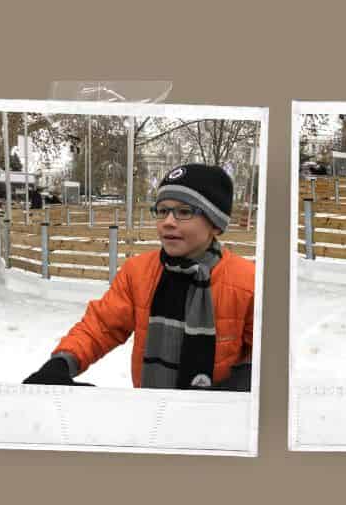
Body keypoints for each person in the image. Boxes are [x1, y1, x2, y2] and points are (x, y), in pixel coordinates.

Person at [23, 164, 255, 390]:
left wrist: (245, 380)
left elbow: (264, 351)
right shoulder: (138, 272)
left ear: (215, 224)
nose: (168, 222)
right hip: (150, 408)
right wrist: (62, 362)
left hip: (219, 411)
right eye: (162, 211)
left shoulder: (247, 281)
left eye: (184, 212)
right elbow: (101, 326)